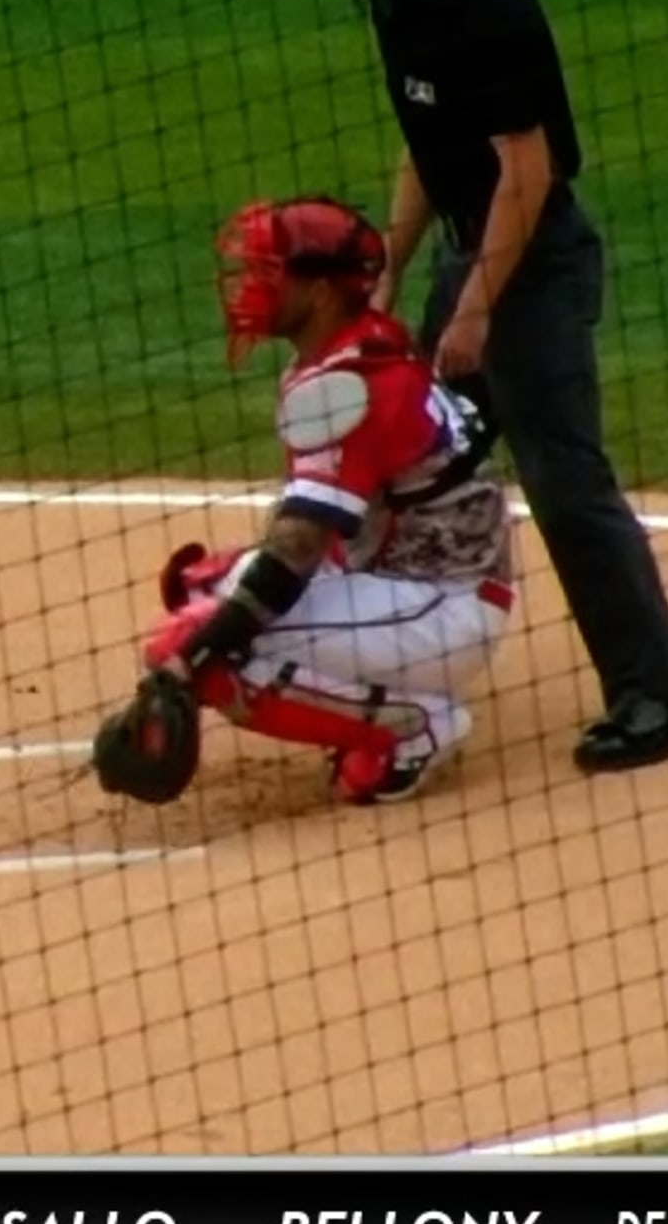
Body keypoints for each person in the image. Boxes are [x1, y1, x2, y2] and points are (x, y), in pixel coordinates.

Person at [307, 0, 668, 774]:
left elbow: (524, 169)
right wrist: (391, 263)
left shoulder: (487, 2)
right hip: (473, 252)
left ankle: (665, 699)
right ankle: (386, 684)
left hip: (528, 263)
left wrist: (479, 307)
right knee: (402, 455)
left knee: (565, 479)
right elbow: (427, 143)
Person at [139, 196, 518, 805]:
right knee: (207, 589)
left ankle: (414, 727)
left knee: (205, 644)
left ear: (318, 291)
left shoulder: (345, 389)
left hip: (440, 607)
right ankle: (397, 691)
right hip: (422, 580)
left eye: (270, 270)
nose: (250, 285)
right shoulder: (358, 344)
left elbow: (298, 550)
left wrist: (187, 662)